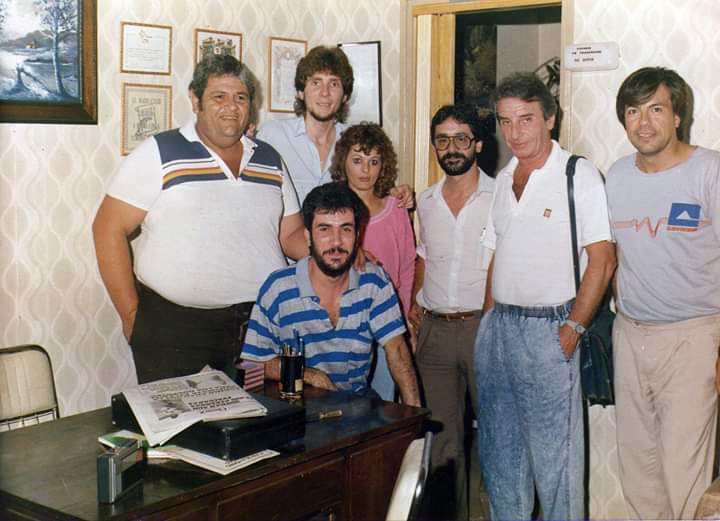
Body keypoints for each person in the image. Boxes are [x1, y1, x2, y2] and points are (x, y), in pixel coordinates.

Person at [92, 55, 307, 383]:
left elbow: (291, 236)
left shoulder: (269, 159)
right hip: (174, 331)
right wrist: (131, 315)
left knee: (259, 414)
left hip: (258, 326)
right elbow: (107, 228)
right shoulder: (159, 152)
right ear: (195, 101)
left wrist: (341, 252)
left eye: (240, 97)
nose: (231, 107)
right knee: (177, 417)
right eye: (219, 96)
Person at [474, 72, 615, 520]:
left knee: (557, 470)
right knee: (501, 460)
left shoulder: (578, 173)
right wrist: (487, 325)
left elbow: (603, 260)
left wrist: (573, 328)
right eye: (506, 121)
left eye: (526, 119)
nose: (515, 132)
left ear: (550, 119)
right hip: (499, 331)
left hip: (550, 330)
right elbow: (495, 258)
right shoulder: (502, 179)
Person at [607, 66, 720, 519]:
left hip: (693, 336)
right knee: (639, 470)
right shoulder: (616, 175)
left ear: (677, 116)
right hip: (630, 334)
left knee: (684, 471)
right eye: (633, 111)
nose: (644, 122)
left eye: (656, 109)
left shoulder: (709, 170)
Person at [241, 182, 421, 406]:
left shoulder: (374, 281)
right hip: (296, 409)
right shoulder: (278, 288)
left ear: (358, 236)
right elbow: (252, 364)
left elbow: (397, 350)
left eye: (345, 229)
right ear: (308, 237)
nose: (336, 242)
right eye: (324, 229)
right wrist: (310, 375)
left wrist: (415, 417)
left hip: (356, 406)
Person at [407, 104, 495, 521]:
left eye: (461, 138)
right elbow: (424, 256)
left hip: (484, 327)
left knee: (495, 436)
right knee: (442, 441)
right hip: (436, 332)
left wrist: (493, 324)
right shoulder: (425, 200)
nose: (452, 147)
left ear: (477, 144)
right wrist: (415, 302)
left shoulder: (501, 196)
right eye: (443, 140)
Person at [258, 45, 413, 207]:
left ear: (345, 96)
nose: (325, 92)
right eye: (316, 82)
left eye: (334, 84)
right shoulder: (272, 135)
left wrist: (396, 193)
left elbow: (374, 190)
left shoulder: (356, 142)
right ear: (301, 92)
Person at [330, 122, 415, 401]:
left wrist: (404, 321)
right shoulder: (332, 210)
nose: (365, 170)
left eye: (373, 161)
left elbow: (406, 267)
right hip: (346, 325)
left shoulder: (396, 209)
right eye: (357, 160)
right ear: (343, 162)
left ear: (383, 166)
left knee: (384, 404)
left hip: (388, 325)